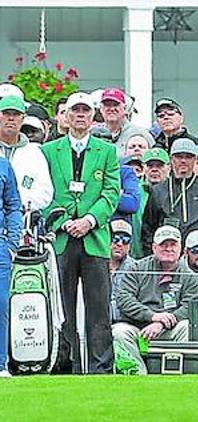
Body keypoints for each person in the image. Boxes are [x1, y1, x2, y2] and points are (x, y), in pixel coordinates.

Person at [42, 92, 121, 374]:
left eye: (85, 110)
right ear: (65, 115)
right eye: (74, 110)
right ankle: (62, 365)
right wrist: (63, 220)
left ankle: (102, 368)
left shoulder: (107, 151)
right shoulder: (49, 151)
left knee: (99, 308)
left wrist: (89, 220)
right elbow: (45, 192)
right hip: (62, 239)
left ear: (93, 115)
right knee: (62, 308)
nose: (79, 115)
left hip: (94, 239)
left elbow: (112, 193)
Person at [113, 224, 198, 374]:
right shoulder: (137, 268)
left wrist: (162, 323)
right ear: (154, 247)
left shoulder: (190, 277)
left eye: (173, 244)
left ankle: (177, 373)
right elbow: (124, 298)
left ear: (181, 248)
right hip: (138, 327)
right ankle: (138, 375)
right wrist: (152, 316)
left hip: (170, 329)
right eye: (163, 245)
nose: (168, 249)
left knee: (187, 327)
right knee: (118, 332)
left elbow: (189, 307)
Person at [141, 136, 198, 259]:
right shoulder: (157, 191)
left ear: (195, 159)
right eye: (179, 156)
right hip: (167, 260)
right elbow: (148, 229)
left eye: (188, 157)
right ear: (171, 159)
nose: (183, 161)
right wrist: (153, 259)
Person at [0, 92, 54, 214]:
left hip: (23, 221)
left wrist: (17, 204)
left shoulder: (34, 153)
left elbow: (45, 194)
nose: (11, 118)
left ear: (23, 119)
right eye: (6, 113)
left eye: (16, 114)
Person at [0, 149, 21, 376]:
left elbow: (13, 205)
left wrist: (12, 242)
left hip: (0, 246)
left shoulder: (4, 166)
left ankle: (0, 364)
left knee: (1, 304)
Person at [94, 88, 151, 158]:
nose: (112, 109)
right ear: (101, 109)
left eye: (115, 105)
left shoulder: (141, 133)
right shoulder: (93, 133)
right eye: (107, 105)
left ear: (125, 108)